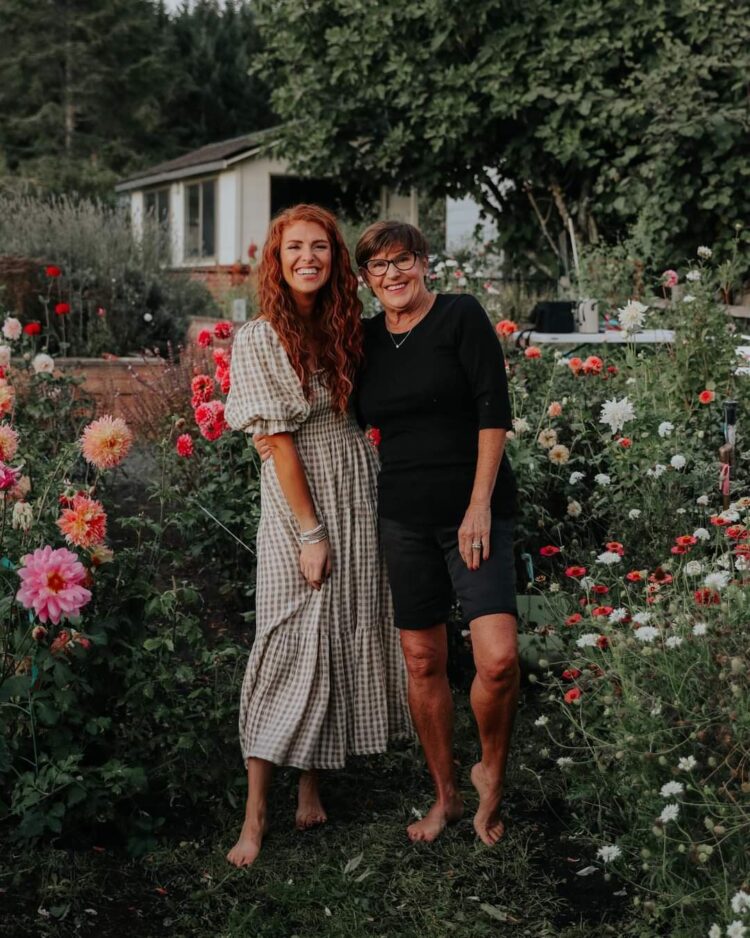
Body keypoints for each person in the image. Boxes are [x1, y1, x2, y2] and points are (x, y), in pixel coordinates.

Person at [223, 205, 411, 868]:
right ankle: (254, 817)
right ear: (276, 258)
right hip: (297, 493)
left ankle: (310, 788)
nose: (308, 257)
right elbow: (275, 442)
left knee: (336, 627)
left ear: (335, 259)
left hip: (354, 479)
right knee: (286, 634)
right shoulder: (260, 337)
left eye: (320, 248)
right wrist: (310, 532)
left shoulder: (341, 329)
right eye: (294, 247)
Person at [354, 220, 519, 847]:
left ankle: (491, 772)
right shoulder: (366, 340)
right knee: (423, 658)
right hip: (402, 516)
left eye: (403, 261)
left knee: (497, 659)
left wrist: (478, 504)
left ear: (425, 263)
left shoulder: (459, 316)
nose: (392, 275)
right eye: (378, 266)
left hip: (474, 512)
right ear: (367, 278)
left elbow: (492, 409)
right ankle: (446, 796)